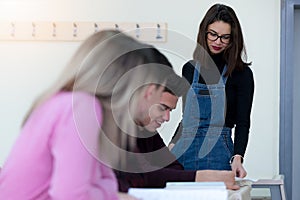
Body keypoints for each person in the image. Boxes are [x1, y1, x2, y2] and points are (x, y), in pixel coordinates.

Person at [0, 30, 181, 199]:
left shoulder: (77, 107)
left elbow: (104, 187)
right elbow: (73, 195)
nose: (149, 94)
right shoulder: (81, 107)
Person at [170, 3, 254, 178]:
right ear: (204, 32)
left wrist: (238, 157)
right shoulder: (189, 69)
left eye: (225, 37)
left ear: (233, 39)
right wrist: (171, 147)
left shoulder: (241, 74)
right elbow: (187, 119)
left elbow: (243, 122)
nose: (218, 42)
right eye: (213, 35)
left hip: (219, 152)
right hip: (185, 149)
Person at [115, 87, 240, 192]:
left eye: (170, 110)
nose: (167, 118)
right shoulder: (117, 129)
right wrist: (202, 177)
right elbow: (142, 175)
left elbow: (174, 167)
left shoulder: (148, 132)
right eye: (163, 108)